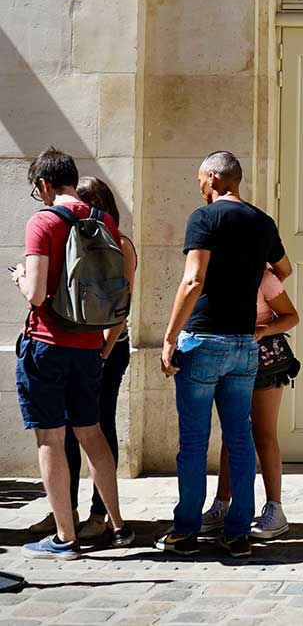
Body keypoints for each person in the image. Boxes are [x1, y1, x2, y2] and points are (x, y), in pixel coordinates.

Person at [156, 151, 291, 558]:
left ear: (214, 178)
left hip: (204, 339)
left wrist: (169, 337)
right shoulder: (262, 221)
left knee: (194, 443)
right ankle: (237, 533)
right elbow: (283, 270)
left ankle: (186, 530)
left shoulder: (205, 218)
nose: (199, 187)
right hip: (244, 344)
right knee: (239, 437)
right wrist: (248, 281)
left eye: (201, 179)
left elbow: (193, 279)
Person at [11, 148, 132, 559]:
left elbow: (38, 293)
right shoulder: (104, 221)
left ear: (43, 184)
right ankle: (117, 526)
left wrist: (21, 277)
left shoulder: (43, 221)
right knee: (92, 432)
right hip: (88, 345)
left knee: (50, 437)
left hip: (47, 343)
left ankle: (65, 536)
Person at [59, 178, 138, 542]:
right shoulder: (73, 241)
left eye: (85, 202)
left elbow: (120, 308)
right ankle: (65, 509)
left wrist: (103, 354)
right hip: (76, 347)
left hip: (106, 348)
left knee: (100, 424)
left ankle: (100, 512)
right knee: (66, 427)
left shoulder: (119, 244)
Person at [202, 267, 301, 540]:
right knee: (232, 433)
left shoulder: (262, 276)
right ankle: (222, 504)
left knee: (263, 433)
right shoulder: (210, 271)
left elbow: (292, 316)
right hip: (229, 358)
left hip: (265, 360)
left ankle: (275, 509)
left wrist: (264, 329)